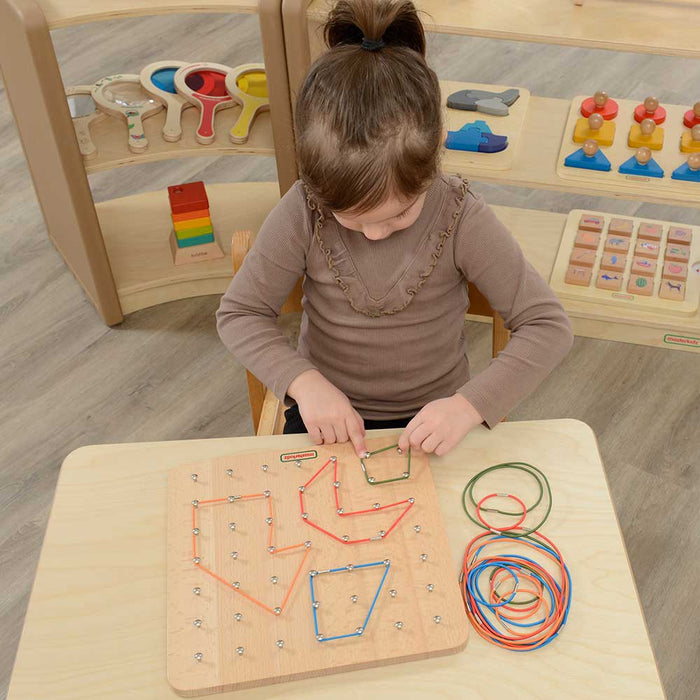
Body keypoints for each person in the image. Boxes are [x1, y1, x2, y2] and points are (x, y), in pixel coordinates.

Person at [216, 0, 573, 458]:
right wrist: (304, 384)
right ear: (316, 186)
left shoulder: (461, 216)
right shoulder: (302, 210)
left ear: (431, 167)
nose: (374, 235)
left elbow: (548, 326)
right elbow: (240, 314)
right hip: (325, 413)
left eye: (398, 215)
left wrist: (468, 406)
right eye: (351, 217)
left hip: (438, 419)